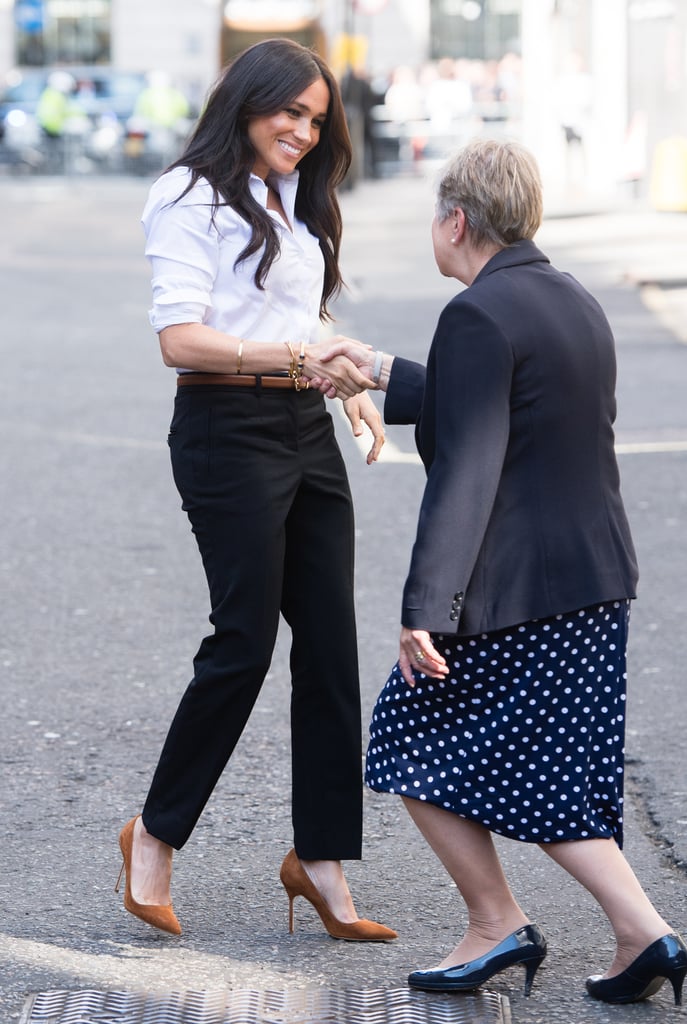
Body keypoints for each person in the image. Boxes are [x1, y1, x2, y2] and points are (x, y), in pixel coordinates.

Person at [319, 138, 686, 1004]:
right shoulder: (569, 298)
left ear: (454, 218)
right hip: (594, 580)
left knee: (407, 742)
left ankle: (501, 926)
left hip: (519, 590)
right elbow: (497, 401)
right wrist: (374, 369)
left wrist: (424, 606)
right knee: (556, 770)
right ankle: (643, 936)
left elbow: (471, 462)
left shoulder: (477, 315)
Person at [115, 37, 397, 944]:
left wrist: (341, 380)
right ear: (247, 101)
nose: (305, 133)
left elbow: (293, 315)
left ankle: (319, 857)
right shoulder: (187, 196)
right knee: (241, 642)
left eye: (317, 120)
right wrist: (295, 356)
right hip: (222, 430)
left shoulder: (293, 199)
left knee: (328, 645)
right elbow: (181, 339)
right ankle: (153, 834)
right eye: (292, 113)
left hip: (300, 426)